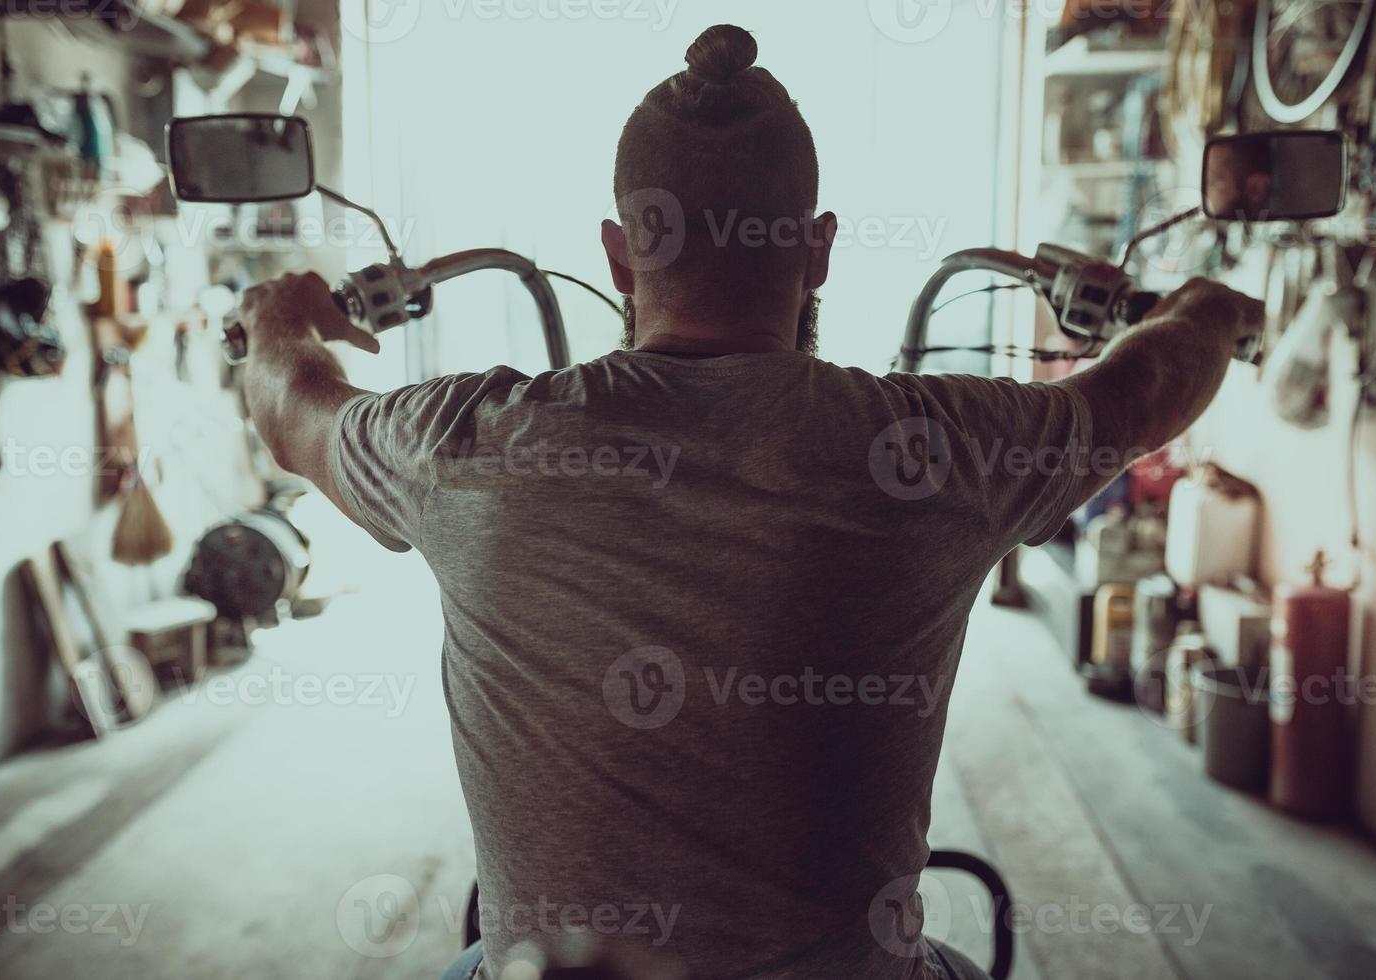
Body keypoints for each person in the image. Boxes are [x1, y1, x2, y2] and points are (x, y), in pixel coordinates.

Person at [234, 24, 1263, 980]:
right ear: (816, 247)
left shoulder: (458, 444)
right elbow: (1145, 388)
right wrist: (1207, 305)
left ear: (618, 251)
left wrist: (280, 309)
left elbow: (291, 408)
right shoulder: (942, 450)